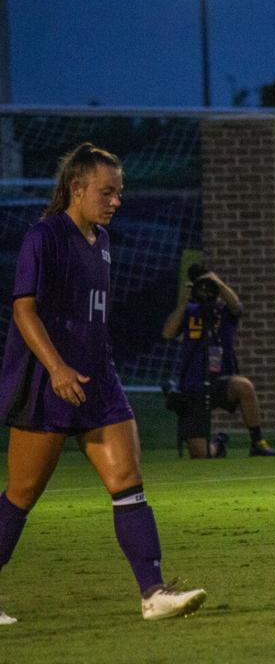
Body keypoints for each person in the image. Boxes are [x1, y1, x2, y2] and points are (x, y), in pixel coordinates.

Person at [0, 143, 206, 624]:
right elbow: (23, 309)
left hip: (99, 381)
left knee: (128, 483)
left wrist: (100, 369)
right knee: (21, 496)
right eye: (107, 192)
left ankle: (153, 594)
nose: (116, 201)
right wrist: (56, 368)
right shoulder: (44, 236)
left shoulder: (104, 242)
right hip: (48, 384)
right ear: (77, 188)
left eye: (120, 192)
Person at [161, 264, 275, 458]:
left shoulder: (223, 311)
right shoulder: (189, 311)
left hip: (220, 379)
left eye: (208, 287)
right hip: (193, 384)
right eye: (201, 287)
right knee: (200, 454)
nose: (205, 292)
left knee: (244, 386)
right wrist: (184, 302)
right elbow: (168, 333)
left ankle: (258, 442)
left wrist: (218, 283)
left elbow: (237, 307)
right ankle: (218, 445)